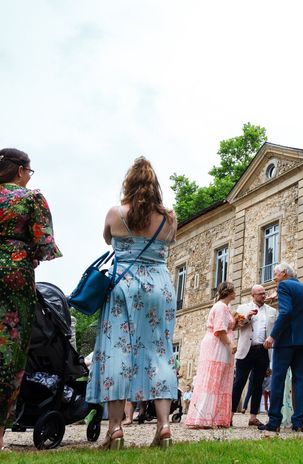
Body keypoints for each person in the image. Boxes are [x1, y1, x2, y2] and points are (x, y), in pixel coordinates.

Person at [87, 156, 178, 450]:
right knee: (160, 352)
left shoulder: (116, 213)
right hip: (159, 287)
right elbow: (169, 241)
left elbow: (106, 239)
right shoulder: (169, 217)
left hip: (124, 287)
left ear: (128, 183)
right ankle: (163, 426)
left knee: (117, 352)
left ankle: (114, 429)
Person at [0, 148, 62, 451]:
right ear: (21, 170)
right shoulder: (30, 197)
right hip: (14, 274)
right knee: (9, 351)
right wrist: (28, 256)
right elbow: (44, 244)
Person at [259, 262, 303, 432]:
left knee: (278, 380)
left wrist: (272, 336)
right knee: (300, 381)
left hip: (286, 341)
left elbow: (285, 312)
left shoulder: (283, 286)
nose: (274, 277)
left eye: (276, 274)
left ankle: (274, 422)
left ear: (284, 274)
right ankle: (298, 424)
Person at [185, 281, 237, 429]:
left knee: (220, 379)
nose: (235, 292)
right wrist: (231, 344)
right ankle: (203, 417)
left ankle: (215, 417)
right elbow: (219, 330)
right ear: (229, 292)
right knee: (213, 378)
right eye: (233, 290)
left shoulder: (226, 307)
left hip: (221, 344)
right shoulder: (220, 307)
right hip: (217, 345)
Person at [231, 284, 277, 426]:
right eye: (260, 293)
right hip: (246, 350)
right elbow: (235, 325)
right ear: (253, 295)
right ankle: (230, 415)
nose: (263, 295)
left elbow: (275, 328)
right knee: (239, 383)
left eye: (264, 293)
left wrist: (271, 340)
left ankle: (253, 417)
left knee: (258, 384)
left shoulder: (272, 311)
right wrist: (247, 317)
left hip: (262, 351)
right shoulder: (242, 308)